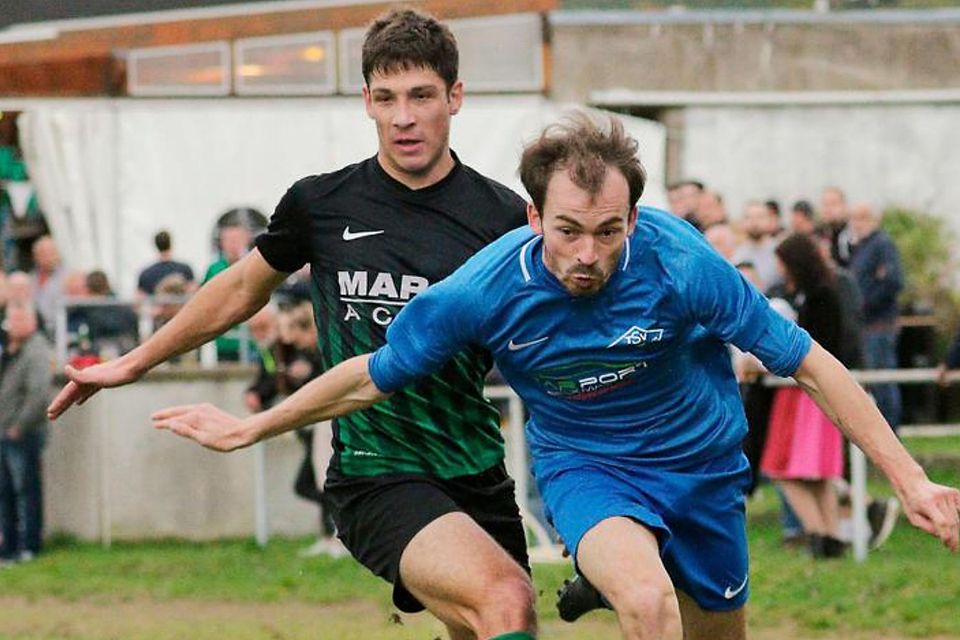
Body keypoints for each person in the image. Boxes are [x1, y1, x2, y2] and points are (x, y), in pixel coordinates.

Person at [136, 114, 958, 640]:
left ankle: (618, 574)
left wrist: (911, 481)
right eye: (567, 231)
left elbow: (811, 364)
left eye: (607, 232)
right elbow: (366, 377)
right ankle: (613, 571)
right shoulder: (484, 289)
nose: (587, 255)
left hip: (703, 470)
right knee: (647, 605)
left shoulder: (683, 264)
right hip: (586, 469)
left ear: (635, 218)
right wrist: (252, 427)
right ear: (533, 218)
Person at [48, 8, 536, 640]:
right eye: (386, 98)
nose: (404, 117)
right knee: (506, 601)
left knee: (487, 624)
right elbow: (239, 290)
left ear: (456, 97)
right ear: (366, 101)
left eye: (421, 96)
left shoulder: (503, 219)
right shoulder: (323, 203)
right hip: (376, 471)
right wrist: (135, 361)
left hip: (475, 466)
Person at [760, 234, 846, 558]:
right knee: (818, 474)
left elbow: (815, 348)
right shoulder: (816, 294)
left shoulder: (819, 298)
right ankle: (832, 537)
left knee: (783, 469)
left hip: (803, 393)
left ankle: (819, 534)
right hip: (815, 392)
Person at [0, 302, 53, 566]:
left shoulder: (36, 350)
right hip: (5, 432)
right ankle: (8, 547)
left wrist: (18, 427)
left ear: (32, 322)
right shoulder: (12, 351)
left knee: (26, 490)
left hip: (24, 433)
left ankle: (29, 546)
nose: (13, 326)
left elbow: (38, 394)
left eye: (20, 319)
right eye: (11, 320)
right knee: (6, 492)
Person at [848, 202, 904, 431]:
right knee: (874, 382)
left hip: (879, 325)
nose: (858, 224)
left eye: (863, 218)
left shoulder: (881, 245)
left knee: (883, 381)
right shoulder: (862, 247)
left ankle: (892, 435)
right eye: (855, 218)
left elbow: (892, 281)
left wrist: (863, 305)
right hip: (868, 325)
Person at [203, 223, 255, 362]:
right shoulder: (214, 269)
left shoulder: (253, 265)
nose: (233, 245)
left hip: (252, 341)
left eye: (237, 240)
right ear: (222, 243)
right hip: (223, 339)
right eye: (229, 240)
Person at [137, 230, 196, 297]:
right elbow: (193, 293)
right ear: (170, 243)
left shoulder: (146, 274)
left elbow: (138, 300)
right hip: (181, 307)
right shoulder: (185, 270)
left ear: (156, 245)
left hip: (156, 307)